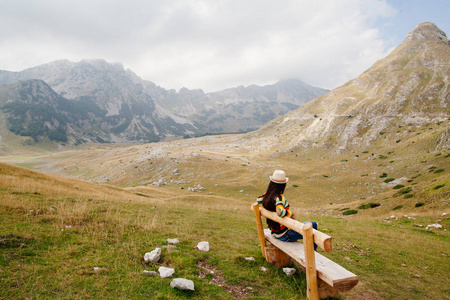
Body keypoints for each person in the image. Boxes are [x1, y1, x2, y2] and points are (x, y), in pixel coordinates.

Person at [257, 170, 318, 248]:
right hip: (284, 235)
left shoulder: (267, 195)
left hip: (274, 232)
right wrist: (290, 213)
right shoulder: (278, 197)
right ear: (283, 185)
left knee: (308, 225)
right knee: (313, 224)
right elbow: (280, 212)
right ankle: (313, 251)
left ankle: (312, 250)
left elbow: (258, 200)